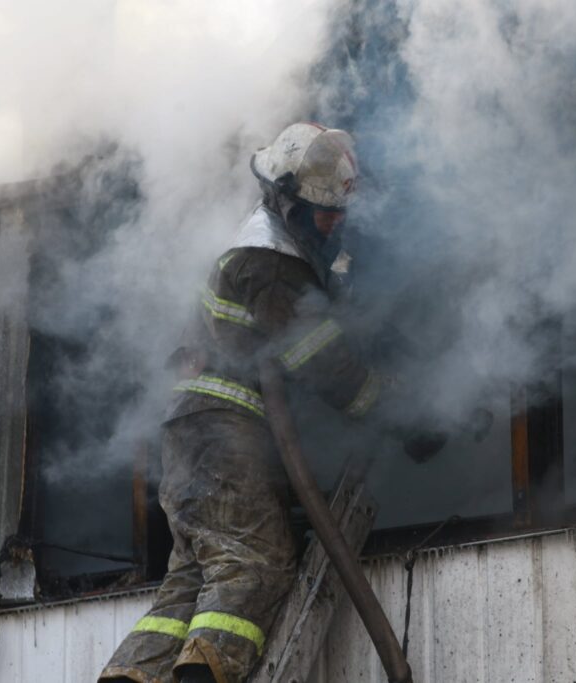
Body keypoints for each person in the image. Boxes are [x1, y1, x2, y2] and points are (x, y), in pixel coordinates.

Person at [99, 122, 441, 683]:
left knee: (193, 579)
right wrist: (403, 416)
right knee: (255, 565)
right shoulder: (271, 264)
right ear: (289, 202)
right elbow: (325, 366)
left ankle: (131, 675)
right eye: (324, 213)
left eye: (340, 212)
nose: (335, 223)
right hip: (224, 436)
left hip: (192, 436)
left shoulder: (267, 245)